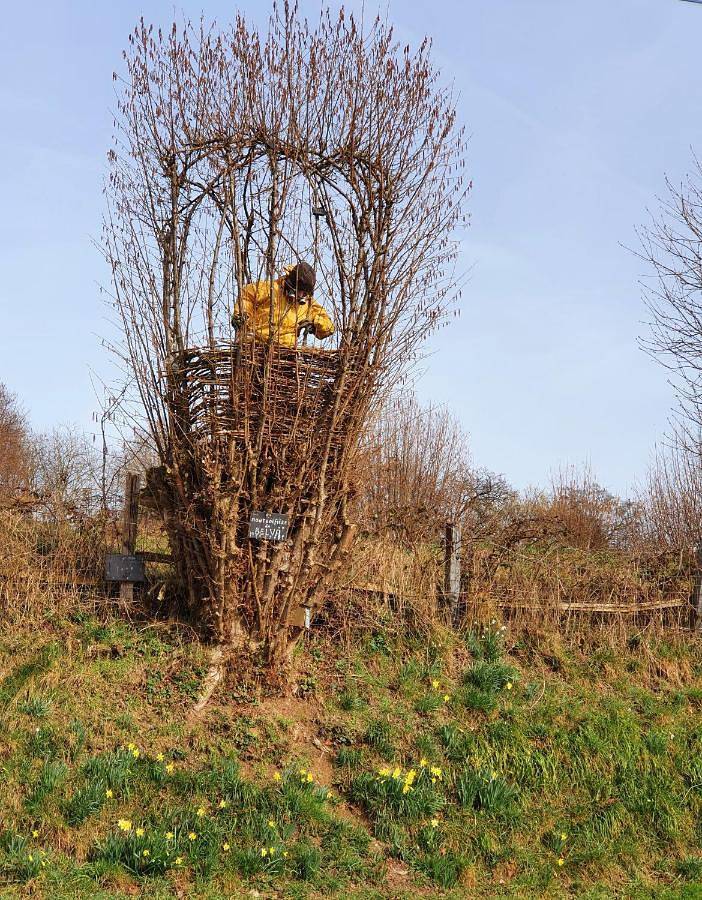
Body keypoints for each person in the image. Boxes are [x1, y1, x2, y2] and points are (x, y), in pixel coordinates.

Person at [231, 262, 334, 349]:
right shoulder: (268, 289)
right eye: (299, 290)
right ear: (290, 282)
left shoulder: (307, 304)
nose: (300, 295)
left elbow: (329, 327)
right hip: (256, 346)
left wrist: (315, 324)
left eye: (304, 293)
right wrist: (242, 315)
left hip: (285, 353)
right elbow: (246, 296)